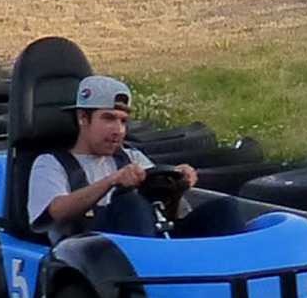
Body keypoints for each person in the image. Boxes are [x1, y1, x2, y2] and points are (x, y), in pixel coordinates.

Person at [26, 75, 196, 243]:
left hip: (141, 240)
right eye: (109, 118)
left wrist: (177, 185)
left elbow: (160, 205)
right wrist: (112, 181)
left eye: (123, 121)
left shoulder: (131, 157)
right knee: (130, 202)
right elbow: (56, 211)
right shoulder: (51, 163)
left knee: (221, 209)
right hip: (85, 250)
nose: (118, 130)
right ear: (83, 118)